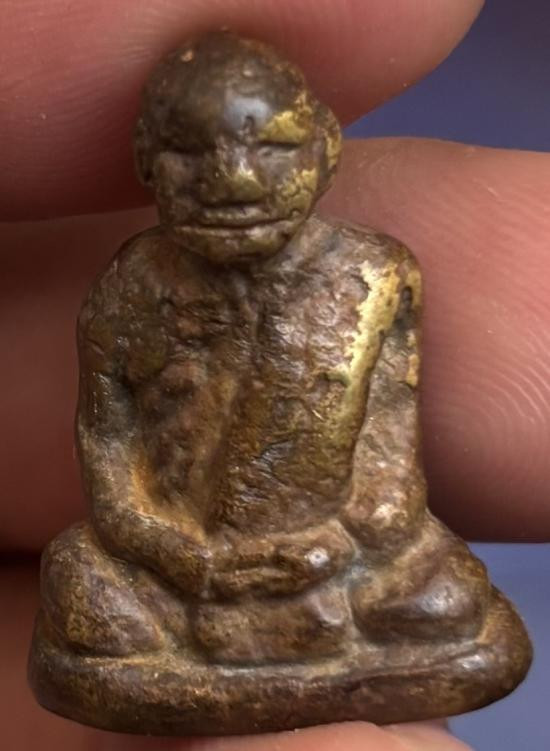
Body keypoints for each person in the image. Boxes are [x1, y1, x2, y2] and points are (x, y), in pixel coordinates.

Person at [1, 1, 547, 750]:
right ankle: (241, 646)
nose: (232, 181)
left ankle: (246, 649)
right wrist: (182, 557)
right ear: (145, 160)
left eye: (274, 148)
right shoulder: (132, 287)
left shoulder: (373, 275)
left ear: (324, 151)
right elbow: (111, 460)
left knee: (445, 599)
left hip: (331, 563)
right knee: (83, 588)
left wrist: (338, 545)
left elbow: (389, 459)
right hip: (177, 577)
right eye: (189, 154)